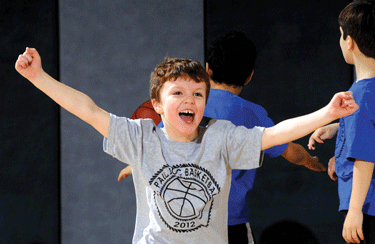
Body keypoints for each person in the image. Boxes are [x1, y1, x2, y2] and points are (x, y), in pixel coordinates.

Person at [15, 47, 357, 244]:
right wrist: (38, 77)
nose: (188, 99)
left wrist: (327, 112)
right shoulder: (140, 138)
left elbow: (276, 134)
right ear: (158, 104)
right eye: (177, 92)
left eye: (197, 93)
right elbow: (88, 110)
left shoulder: (221, 137)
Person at [204, 31, 326, 244]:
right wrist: (310, 161)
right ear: (249, 76)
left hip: (186, 220)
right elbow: (290, 152)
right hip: (231, 221)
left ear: (207, 69)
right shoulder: (253, 114)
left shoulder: (185, 106)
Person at [307, 1, 375, 243]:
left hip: (367, 207)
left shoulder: (361, 94)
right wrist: (337, 128)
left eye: (340, 35)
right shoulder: (366, 91)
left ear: (350, 41)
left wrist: (355, 211)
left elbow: (366, 155)